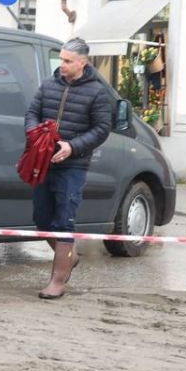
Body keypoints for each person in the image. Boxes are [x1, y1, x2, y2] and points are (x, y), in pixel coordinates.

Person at [24, 38, 112, 300]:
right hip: (44, 162)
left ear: (82, 63)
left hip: (73, 166)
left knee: (64, 220)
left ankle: (57, 281)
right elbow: (31, 113)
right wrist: (34, 134)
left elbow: (101, 129)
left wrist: (72, 147)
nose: (61, 65)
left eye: (67, 61)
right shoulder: (49, 85)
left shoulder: (97, 92)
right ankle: (69, 257)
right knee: (42, 219)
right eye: (60, 59)